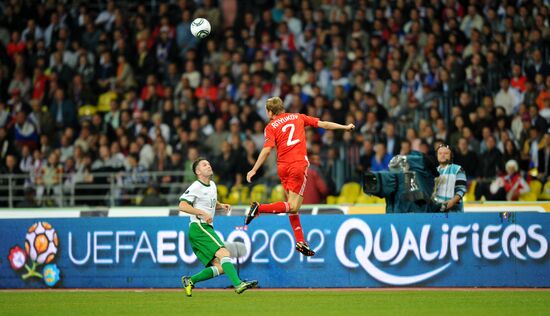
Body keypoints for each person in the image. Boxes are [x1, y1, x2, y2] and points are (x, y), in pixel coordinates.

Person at [245, 96, 355, 256]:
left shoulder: (270, 127)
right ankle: (259, 208)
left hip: (282, 167)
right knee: (294, 206)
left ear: (270, 112)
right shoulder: (298, 117)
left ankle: (300, 241)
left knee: (291, 207)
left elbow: (267, 149)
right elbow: (323, 124)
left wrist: (254, 169)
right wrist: (345, 127)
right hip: (298, 165)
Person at [180, 158, 257, 296]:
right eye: (204, 165)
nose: (208, 165)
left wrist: (220, 205)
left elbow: (209, 202)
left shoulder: (213, 185)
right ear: (198, 171)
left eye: (209, 163)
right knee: (224, 253)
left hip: (205, 228)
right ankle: (238, 284)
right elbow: (182, 205)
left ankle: (190, 280)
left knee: (220, 267)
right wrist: (202, 213)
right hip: (199, 227)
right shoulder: (195, 186)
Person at [432, 144, 467, 212]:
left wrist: (452, 202)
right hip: (437, 211)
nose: (442, 155)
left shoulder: (458, 169)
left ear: (451, 156)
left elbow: (461, 189)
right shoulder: (433, 171)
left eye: (446, 153)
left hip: (454, 212)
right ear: (437, 156)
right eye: (440, 153)